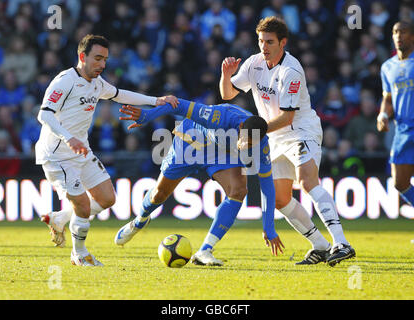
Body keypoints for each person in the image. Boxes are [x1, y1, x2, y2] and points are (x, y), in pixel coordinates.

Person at [219, 16, 355, 266]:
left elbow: (287, 116)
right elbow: (227, 94)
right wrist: (226, 75)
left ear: (283, 42)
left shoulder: (291, 70)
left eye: (269, 41)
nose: (264, 46)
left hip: (301, 130)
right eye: (261, 41)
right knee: (280, 198)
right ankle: (320, 245)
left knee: (306, 181)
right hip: (274, 137)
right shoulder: (253, 63)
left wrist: (253, 134)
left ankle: (341, 242)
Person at [36, 34, 178, 266]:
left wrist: (156, 100)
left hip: (81, 151)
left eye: (105, 60)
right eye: (98, 58)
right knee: (82, 205)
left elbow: (119, 94)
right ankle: (79, 254)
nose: (102, 64)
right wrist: (69, 138)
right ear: (82, 57)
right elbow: (44, 114)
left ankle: (59, 218)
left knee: (107, 199)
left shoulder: (97, 83)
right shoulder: (64, 81)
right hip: (57, 155)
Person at [114, 98, 285, 265]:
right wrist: (147, 115)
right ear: (240, 127)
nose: (245, 146)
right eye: (244, 141)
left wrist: (268, 227)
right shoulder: (219, 116)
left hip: (222, 153)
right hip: (192, 141)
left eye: (250, 144)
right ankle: (139, 221)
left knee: (239, 191)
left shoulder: (262, 144)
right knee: (159, 194)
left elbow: (267, 186)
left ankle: (205, 250)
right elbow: (177, 104)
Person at [377, 21, 414, 208]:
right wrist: (383, 115)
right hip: (402, 131)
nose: (399, 36)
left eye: (403, 31)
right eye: (395, 32)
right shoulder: (387, 67)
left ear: (412, 36)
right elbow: (388, 98)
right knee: (399, 182)